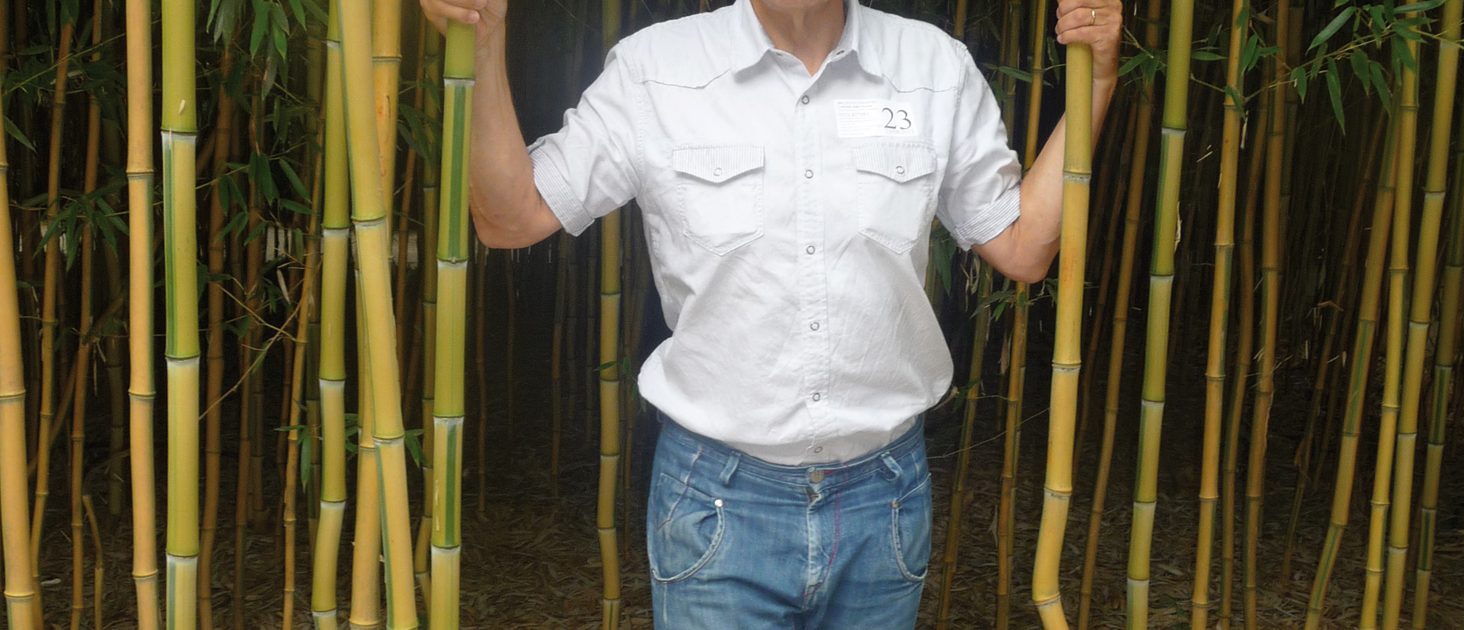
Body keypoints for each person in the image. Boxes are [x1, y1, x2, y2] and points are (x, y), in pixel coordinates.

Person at [419, 0, 1121, 625]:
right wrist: (483, 40)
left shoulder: (932, 67)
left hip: (883, 498)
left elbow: (1022, 246)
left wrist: (1096, 77)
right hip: (717, 499)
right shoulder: (656, 70)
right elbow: (511, 217)